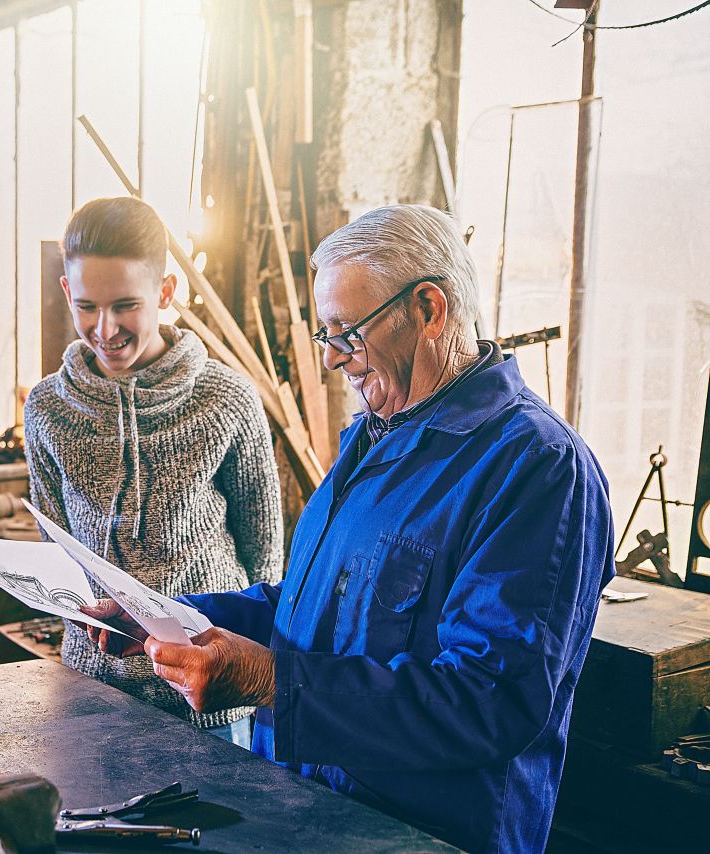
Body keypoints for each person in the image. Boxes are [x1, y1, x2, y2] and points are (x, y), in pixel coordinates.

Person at [85, 204, 615, 852]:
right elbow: (307, 608)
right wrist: (168, 616)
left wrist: (270, 681)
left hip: (423, 836)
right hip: (308, 813)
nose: (334, 359)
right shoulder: (376, 434)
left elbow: (487, 703)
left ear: (428, 309)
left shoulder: (538, 470)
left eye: (349, 334)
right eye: (325, 336)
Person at [24, 196, 283, 747]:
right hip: (94, 691)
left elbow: (265, 559)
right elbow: (53, 547)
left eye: (125, 306)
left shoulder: (227, 399)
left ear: (165, 293)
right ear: (67, 292)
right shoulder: (47, 407)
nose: (105, 328)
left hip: (208, 697)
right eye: (88, 306)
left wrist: (245, 670)